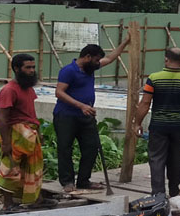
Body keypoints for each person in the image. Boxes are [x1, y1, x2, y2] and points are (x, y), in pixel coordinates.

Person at [54, 39, 129, 192]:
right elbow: (59, 92)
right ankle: (67, 181)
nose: (98, 64)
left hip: (86, 116)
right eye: (96, 60)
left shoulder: (90, 68)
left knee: (91, 147)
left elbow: (110, 58)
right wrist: (80, 105)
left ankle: (83, 180)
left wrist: (125, 42)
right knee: (65, 148)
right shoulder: (68, 71)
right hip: (66, 116)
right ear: (87, 57)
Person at [134, 47, 180, 197]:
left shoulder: (154, 78)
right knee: (176, 158)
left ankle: (158, 193)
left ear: (166, 59)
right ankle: (174, 190)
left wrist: (137, 123)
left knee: (157, 158)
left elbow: (145, 103)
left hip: (158, 125)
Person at [0, 54, 45, 210]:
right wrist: (5, 143)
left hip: (30, 134)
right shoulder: (9, 90)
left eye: (33, 67)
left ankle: (31, 200)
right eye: (28, 67)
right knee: (11, 169)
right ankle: (7, 204)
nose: (32, 71)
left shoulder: (28, 88)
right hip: (16, 135)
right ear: (17, 69)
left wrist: (39, 132)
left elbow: (30, 112)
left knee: (32, 169)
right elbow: (3, 118)